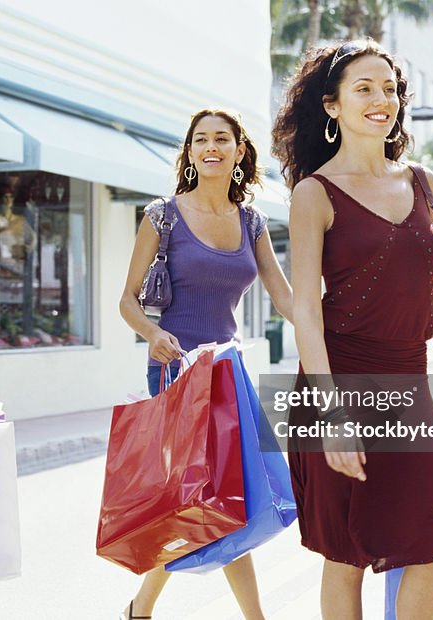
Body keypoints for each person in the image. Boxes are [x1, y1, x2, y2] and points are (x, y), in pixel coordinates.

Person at [271, 40, 433, 619]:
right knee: (345, 552)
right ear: (332, 105)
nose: (383, 100)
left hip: (407, 383)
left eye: (391, 88)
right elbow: (306, 312)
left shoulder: (420, 182)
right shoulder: (313, 193)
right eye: (364, 88)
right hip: (339, 382)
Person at [117, 109, 293, 620]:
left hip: (225, 372)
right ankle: (145, 609)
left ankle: (141, 609)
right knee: (189, 498)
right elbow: (127, 299)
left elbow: (285, 297)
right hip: (174, 372)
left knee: (232, 499)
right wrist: (152, 334)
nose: (211, 146)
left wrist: (332, 320)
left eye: (223, 138)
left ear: (240, 150)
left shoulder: (252, 221)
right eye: (201, 140)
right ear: (190, 152)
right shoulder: (163, 215)